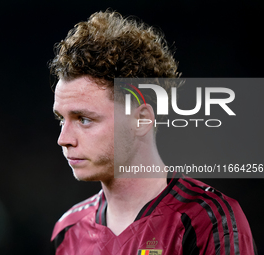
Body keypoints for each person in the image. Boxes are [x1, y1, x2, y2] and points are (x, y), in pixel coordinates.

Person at [49, 10, 257, 255]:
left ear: (142, 119)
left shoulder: (208, 221)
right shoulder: (68, 231)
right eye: (61, 119)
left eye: (84, 119)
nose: (64, 139)